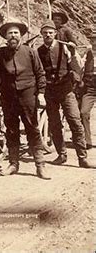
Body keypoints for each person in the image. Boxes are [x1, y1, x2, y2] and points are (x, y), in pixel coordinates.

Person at [0, 19, 51, 180]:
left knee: (32, 128)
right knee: (11, 129)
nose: (13, 35)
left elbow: (40, 73)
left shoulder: (30, 52)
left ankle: (40, 165)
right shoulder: (0, 53)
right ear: (6, 37)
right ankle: (14, 164)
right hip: (8, 97)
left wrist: (41, 93)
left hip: (28, 95)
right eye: (10, 33)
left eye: (16, 32)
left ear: (20, 35)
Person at [37, 21, 95, 168]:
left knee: (75, 122)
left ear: (55, 33)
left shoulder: (65, 48)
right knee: (54, 125)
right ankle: (61, 155)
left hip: (66, 91)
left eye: (50, 32)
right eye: (45, 33)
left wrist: (73, 53)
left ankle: (82, 158)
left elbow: (77, 67)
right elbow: (38, 72)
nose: (48, 35)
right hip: (50, 92)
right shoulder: (39, 51)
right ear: (41, 35)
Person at [79, 32, 96, 149]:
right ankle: (87, 140)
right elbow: (79, 65)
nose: (95, 42)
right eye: (93, 40)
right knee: (83, 112)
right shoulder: (87, 53)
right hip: (90, 87)